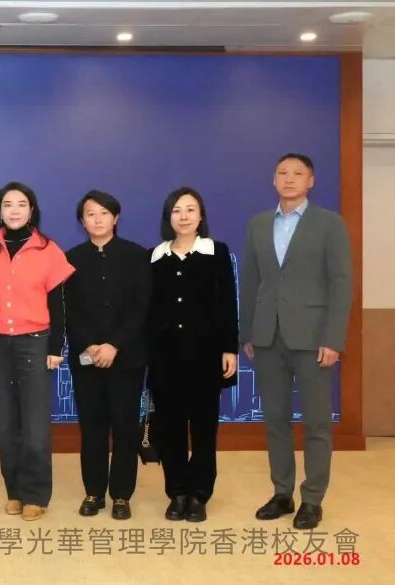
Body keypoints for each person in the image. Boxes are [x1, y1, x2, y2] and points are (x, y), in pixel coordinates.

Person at [241, 153, 352, 530]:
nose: (289, 179)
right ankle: (282, 493)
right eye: (282, 173)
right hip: (267, 337)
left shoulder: (329, 224)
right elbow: (251, 282)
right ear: (273, 180)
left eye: (297, 173)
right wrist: (248, 332)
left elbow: (341, 284)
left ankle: (313, 498)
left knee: (317, 423)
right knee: (276, 420)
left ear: (311, 181)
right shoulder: (258, 224)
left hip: (313, 339)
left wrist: (333, 339)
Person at [0, 182, 74, 521]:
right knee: (6, 424)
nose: (14, 210)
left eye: (21, 204)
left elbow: (59, 303)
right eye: (8, 204)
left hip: (35, 342)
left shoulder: (48, 249)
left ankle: (36, 494)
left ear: (32, 210)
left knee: (34, 424)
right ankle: (14, 491)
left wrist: (55, 346)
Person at [147, 187, 238, 523]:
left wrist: (229, 347)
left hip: (205, 355)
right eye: (176, 210)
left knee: (203, 429)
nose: (183, 216)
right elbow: (149, 310)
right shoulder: (155, 257)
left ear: (201, 216)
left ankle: (199, 494)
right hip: (165, 357)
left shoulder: (216, 252)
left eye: (190, 209)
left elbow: (227, 303)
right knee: (170, 429)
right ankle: (177, 492)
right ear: (167, 217)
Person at [64, 190, 151, 520]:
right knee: (92, 427)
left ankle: (121, 495)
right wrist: (90, 345)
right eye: (90, 214)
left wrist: (114, 344)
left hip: (126, 357)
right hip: (86, 358)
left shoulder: (136, 255)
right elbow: (69, 309)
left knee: (125, 426)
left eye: (104, 213)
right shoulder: (70, 259)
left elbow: (141, 305)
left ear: (116, 218)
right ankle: (94, 492)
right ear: (82, 221)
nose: (97, 219)